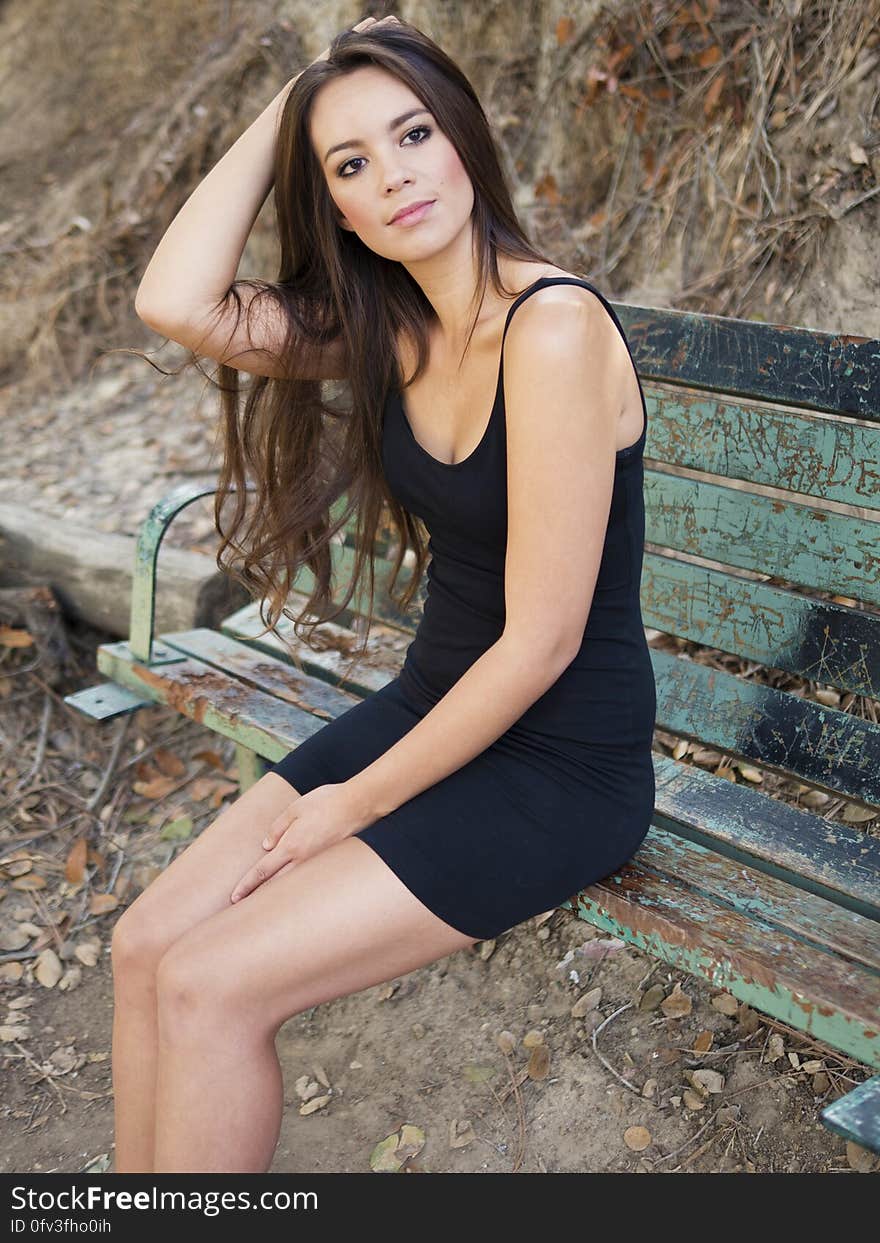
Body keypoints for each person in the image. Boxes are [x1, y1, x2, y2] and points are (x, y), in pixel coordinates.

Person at [114, 14, 656, 1174]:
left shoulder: (551, 330)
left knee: (211, 987)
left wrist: (348, 805)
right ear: (337, 211)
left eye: (412, 133)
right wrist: (296, 102)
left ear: (462, 137)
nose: (394, 173)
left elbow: (543, 642)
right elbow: (177, 302)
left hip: (560, 762)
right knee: (146, 943)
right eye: (350, 165)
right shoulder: (388, 326)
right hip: (431, 712)